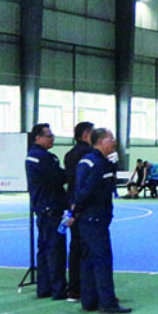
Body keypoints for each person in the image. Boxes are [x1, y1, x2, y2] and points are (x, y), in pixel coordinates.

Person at [71, 128, 130, 314]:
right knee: (102, 259)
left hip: (87, 218)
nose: (114, 142)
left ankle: (89, 301)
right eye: (111, 139)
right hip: (95, 217)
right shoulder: (97, 164)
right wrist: (75, 211)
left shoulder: (88, 161)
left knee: (88, 259)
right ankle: (107, 302)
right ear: (101, 141)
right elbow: (86, 191)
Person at [24, 123, 68, 300]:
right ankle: (58, 289)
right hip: (52, 208)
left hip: (41, 208)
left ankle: (44, 288)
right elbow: (59, 177)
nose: (52, 139)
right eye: (49, 136)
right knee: (55, 250)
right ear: (38, 138)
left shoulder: (31, 156)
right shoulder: (45, 158)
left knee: (43, 249)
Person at [63, 121, 95, 301]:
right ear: (86, 135)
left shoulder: (69, 155)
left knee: (75, 247)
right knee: (88, 248)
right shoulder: (90, 155)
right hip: (85, 206)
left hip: (73, 203)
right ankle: (88, 289)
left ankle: (74, 287)